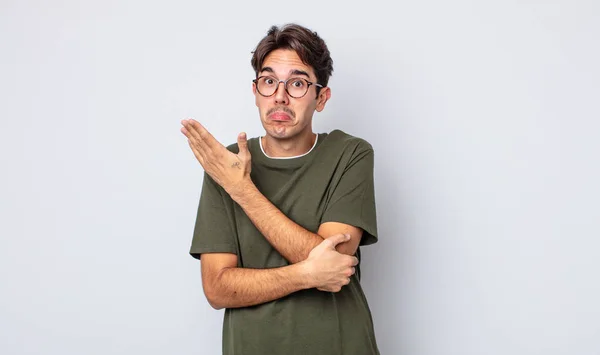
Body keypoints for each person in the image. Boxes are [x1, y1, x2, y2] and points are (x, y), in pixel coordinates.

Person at [180, 23, 380, 355]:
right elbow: (217, 288)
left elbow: (335, 264)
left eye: (298, 84)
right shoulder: (227, 164)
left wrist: (242, 191)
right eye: (269, 81)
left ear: (321, 97)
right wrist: (306, 274)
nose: (280, 96)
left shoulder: (351, 154)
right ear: (256, 91)